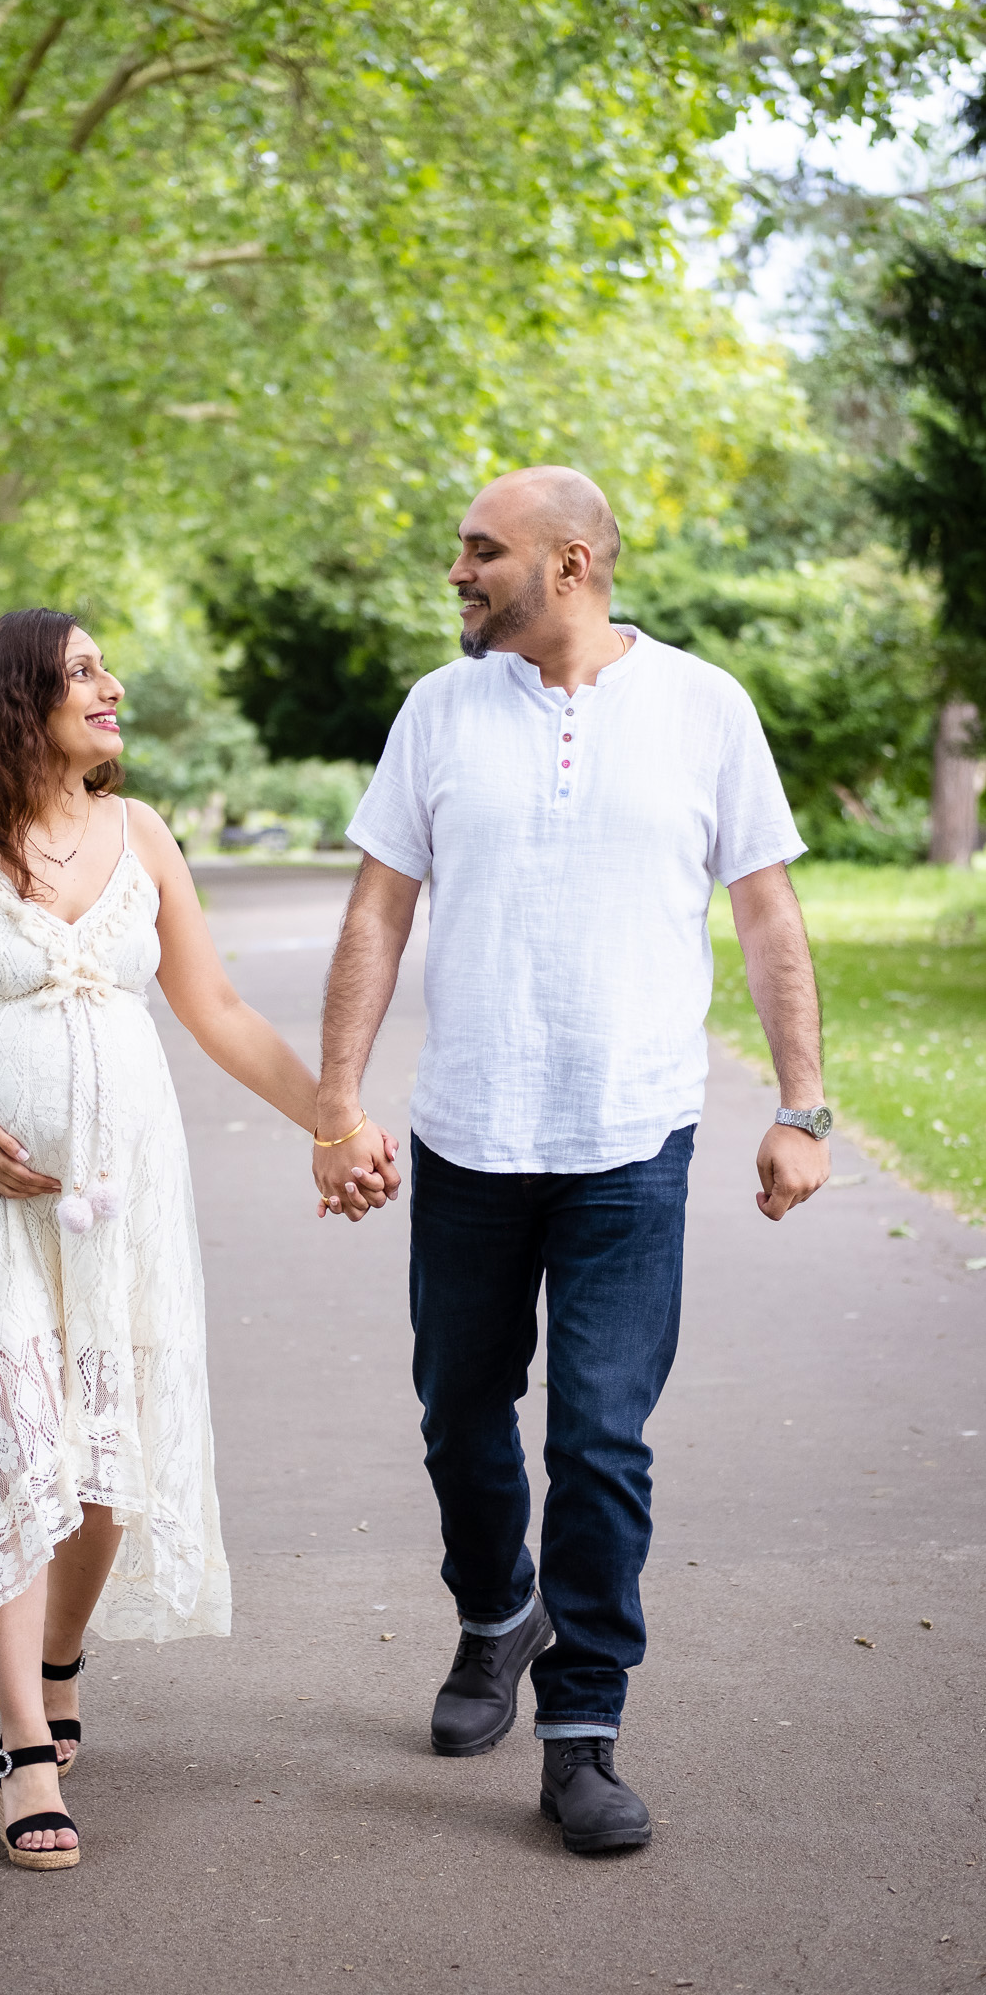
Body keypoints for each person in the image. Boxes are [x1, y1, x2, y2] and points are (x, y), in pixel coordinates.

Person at [310, 466, 830, 1855]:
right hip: (468, 1134)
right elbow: (376, 917)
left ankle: (582, 1730)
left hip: (629, 1138)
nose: (459, 574)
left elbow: (768, 917)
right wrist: (337, 1106)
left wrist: (805, 1105)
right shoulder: (439, 711)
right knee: (459, 1415)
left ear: (574, 564)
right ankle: (495, 1614)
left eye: (482, 552)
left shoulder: (704, 708)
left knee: (599, 1438)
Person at [0, 607, 330, 1871]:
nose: (114, 685)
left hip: (123, 1195)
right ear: (18, 699)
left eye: (106, 666)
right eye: (84, 670)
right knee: (6, 1446)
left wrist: (335, 1116)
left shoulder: (142, 832)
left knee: (104, 1477)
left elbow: (212, 1007)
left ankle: (60, 1656)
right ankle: (21, 1744)